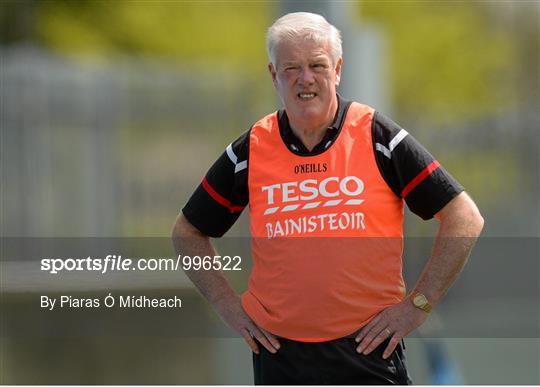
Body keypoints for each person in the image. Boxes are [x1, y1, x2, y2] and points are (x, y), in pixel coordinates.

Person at [172, 12, 484, 385]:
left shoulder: (377, 136)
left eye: (317, 65)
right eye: (291, 68)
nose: (306, 79)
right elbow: (187, 232)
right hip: (281, 357)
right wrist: (227, 305)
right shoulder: (253, 148)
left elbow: (464, 216)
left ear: (337, 69)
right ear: (274, 75)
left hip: (369, 352)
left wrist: (418, 305)